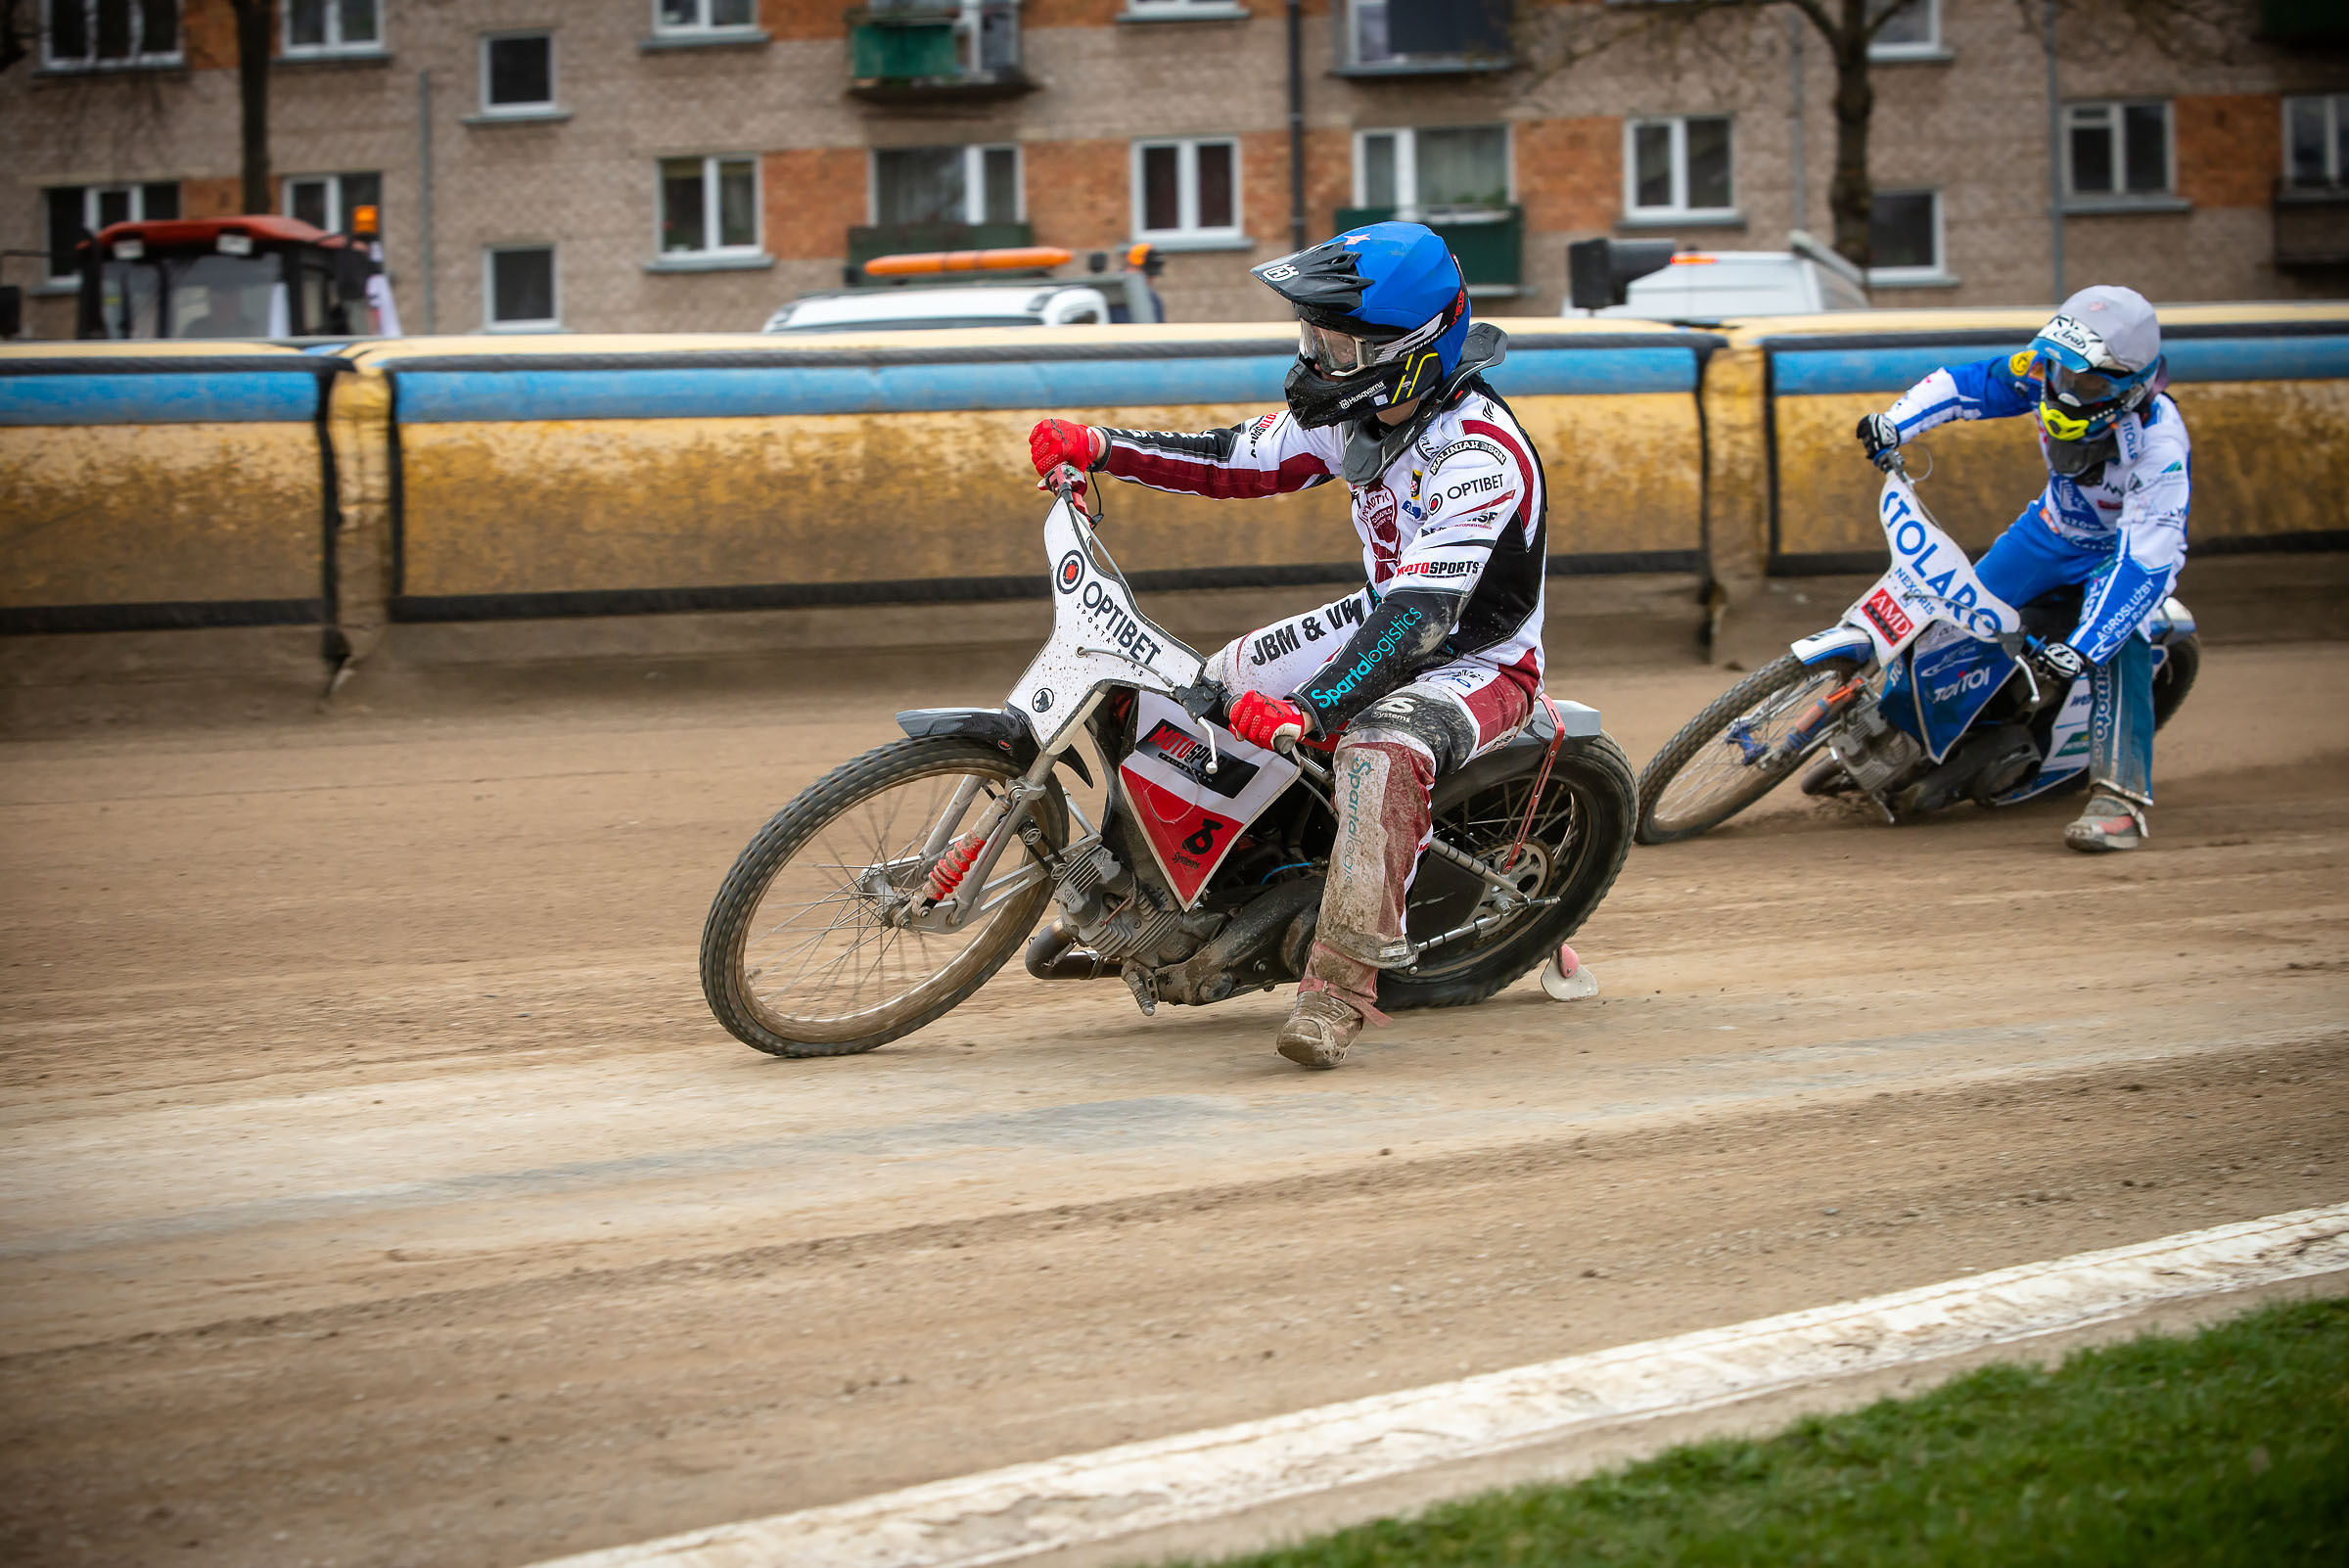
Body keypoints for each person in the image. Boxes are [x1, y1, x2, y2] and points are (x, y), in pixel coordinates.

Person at [1027, 220, 1548, 1069]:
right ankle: (1154, 898)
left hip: (1477, 661)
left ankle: (1338, 990)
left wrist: (1310, 710)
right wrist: (1105, 447)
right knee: (1194, 688)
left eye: (1335, 343)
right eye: (1312, 333)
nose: (1315, 357)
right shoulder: (1364, 409)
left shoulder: (1480, 456)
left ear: (1409, 353)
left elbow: (1421, 619)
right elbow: (1238, 460)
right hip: (1384, 616)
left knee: (1374, 755)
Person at [1856, 284, 2188, 853]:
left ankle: (2120, 801)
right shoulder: (2045, 370)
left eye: (2084, 379)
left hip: (2119, 556)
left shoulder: (2160, 447)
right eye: (2060, 370)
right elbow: (1974, 382)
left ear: (2129, 384)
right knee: (1958, 614)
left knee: (2120, 646)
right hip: (2051, 530)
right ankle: (1912, 732)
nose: (2061, 385)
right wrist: (1897, 423)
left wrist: (2085, 646)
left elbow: (2144, 562)